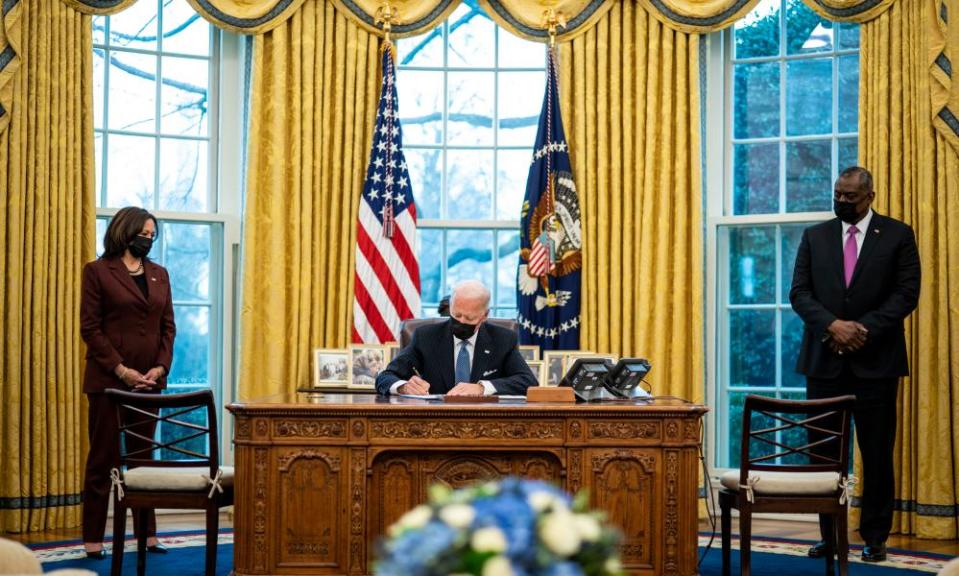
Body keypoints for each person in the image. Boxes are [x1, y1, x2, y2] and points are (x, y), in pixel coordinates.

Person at [789, 166, 921, 563]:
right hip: (823, 362)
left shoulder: (897, 234)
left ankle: (876, 537)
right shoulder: (815, 236)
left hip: (876, 364)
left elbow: (906, 294)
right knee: (823, 456)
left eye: (850, 196)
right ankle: (829, 537)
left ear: (870, 196)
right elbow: (799, 293)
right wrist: (832, 325)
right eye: (838, 194)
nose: (842, 201)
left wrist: (861, 329)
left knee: (877, 452)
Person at [79, 207, 176, 559]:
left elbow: (168, 327)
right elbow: (90, 329)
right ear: (126, 231)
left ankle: (147, 536)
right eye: (143, 234)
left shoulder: (160, 274)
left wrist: (161, 368)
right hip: (109, 381)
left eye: (153, 236)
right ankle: (93, 538)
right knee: (102, 459)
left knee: (143, 461)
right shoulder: (97, 272)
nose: (148, 240)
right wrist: (121, 370)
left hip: (149, 383)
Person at [375, 280, 535, 396]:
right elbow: (385, 377)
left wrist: (482, 388)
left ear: (484, 315)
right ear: (450, 307)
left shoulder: (503, 339)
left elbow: (528, 382)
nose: (461, 322)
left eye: (470, 318)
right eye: (457, 315)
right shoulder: (426, 337)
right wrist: (404, 387)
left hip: (486, 423)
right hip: (434, 423)